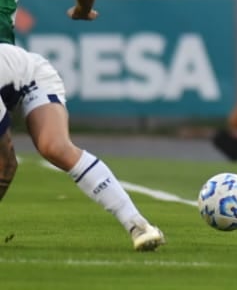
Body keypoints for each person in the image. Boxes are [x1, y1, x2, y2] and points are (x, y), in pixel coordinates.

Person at [0, 42, 165, 251]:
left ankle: (137, 225)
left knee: (54, 147)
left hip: (32, 78)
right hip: (6, 76)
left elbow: (6, 165)